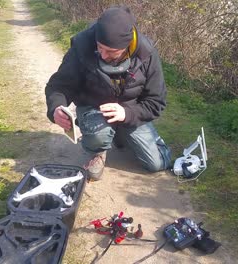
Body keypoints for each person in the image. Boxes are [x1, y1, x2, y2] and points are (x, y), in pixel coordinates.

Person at [45, 6, 171, 180]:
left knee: (156, 164)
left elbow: (156, 102)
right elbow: (59, 85)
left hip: (130, 110)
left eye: (111, 52)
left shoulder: (147, 54)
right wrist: (56, 108)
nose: (103, 55)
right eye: (99, 48)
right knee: (99, 136)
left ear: (127, 46)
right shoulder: (82, 47)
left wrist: (127, 113)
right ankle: (98, 151)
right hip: (94, 108)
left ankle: (121, 132)